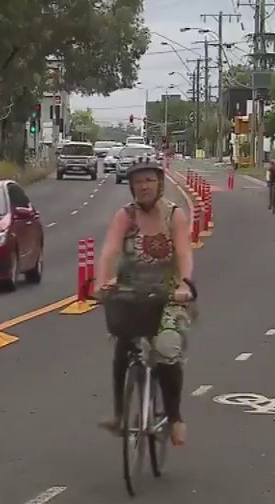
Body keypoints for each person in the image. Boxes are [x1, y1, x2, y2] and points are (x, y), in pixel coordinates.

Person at [95, 159, 196, 446]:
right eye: (138, 182)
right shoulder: (125, 216)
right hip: (131, 292)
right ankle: (119, 414)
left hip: (168, 295)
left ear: (159, 183)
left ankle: (175, 417)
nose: (144, 186)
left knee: (166, 348)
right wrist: (103, 282)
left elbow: (185, 253)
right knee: (123, 342)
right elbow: (110, 251)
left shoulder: (173, 215)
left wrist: (185, 284)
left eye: (149, 180)